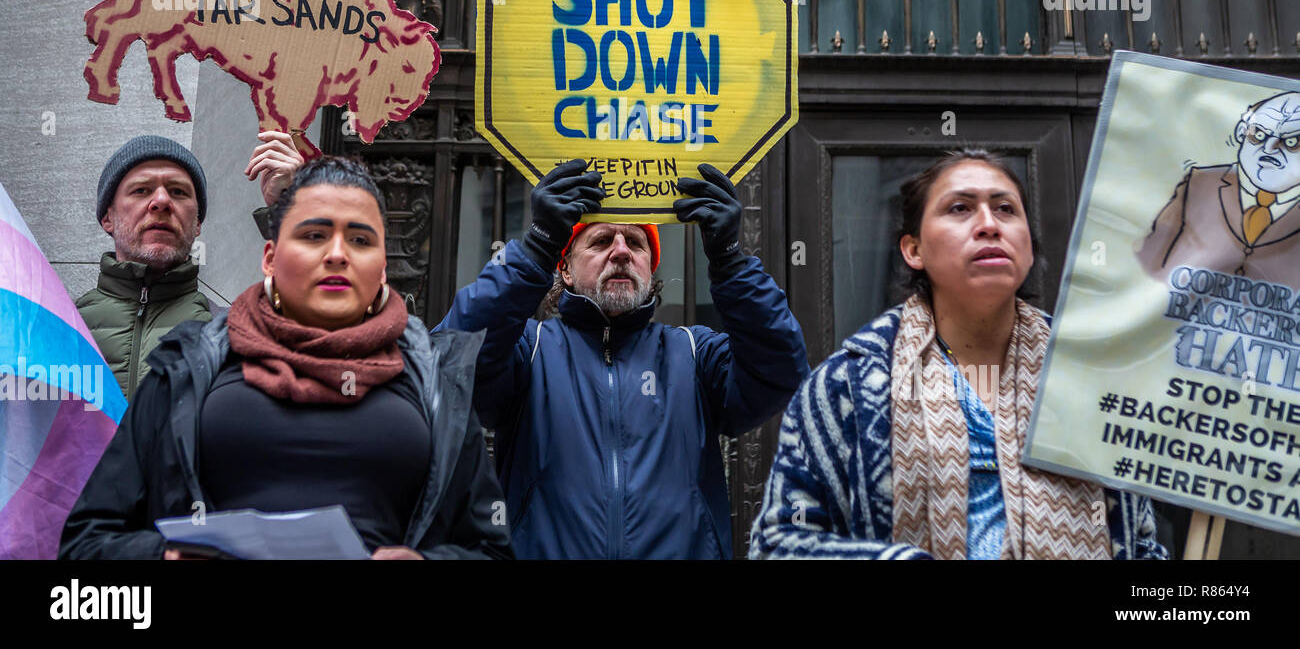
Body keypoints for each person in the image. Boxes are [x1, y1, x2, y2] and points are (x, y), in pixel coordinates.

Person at [61, 156, 510, 560]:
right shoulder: (185, 365)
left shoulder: (436, 381)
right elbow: (86, 541)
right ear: (270, 259)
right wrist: (165, 556)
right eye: (314, 235)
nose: (337, 254)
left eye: (360, 239)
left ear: (382, 267)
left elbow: (493, 549)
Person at [750, 149, 1167, 559]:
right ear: (913, 250)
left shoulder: (1090, 379)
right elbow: (778, 545)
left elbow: (1139, 542)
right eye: (959, 208)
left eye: (1005, 209)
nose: (988, 224)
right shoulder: (849, 386)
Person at [436, 158, 809, 559]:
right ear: (563, 269)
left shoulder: (695, 353)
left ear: (650, 267)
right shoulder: (531, 349)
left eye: (635, 242)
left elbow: (782, 370)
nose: (620, 252)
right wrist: (537, 246)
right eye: (599, 242)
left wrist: (731, 263)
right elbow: (452, 357)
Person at [77, 130, 303, 400]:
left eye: (178, 191)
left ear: (197, 224)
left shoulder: (234, 334)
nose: (161, 201)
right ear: (108, 218)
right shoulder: (59, 327)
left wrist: (292, 209)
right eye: (141, 190)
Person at [1138, 90, 1300, 286]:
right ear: (1242, 132)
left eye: (1291, 142)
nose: (1268, 149)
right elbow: (1148, 260)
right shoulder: (1200, 183)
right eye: (1258, 134)